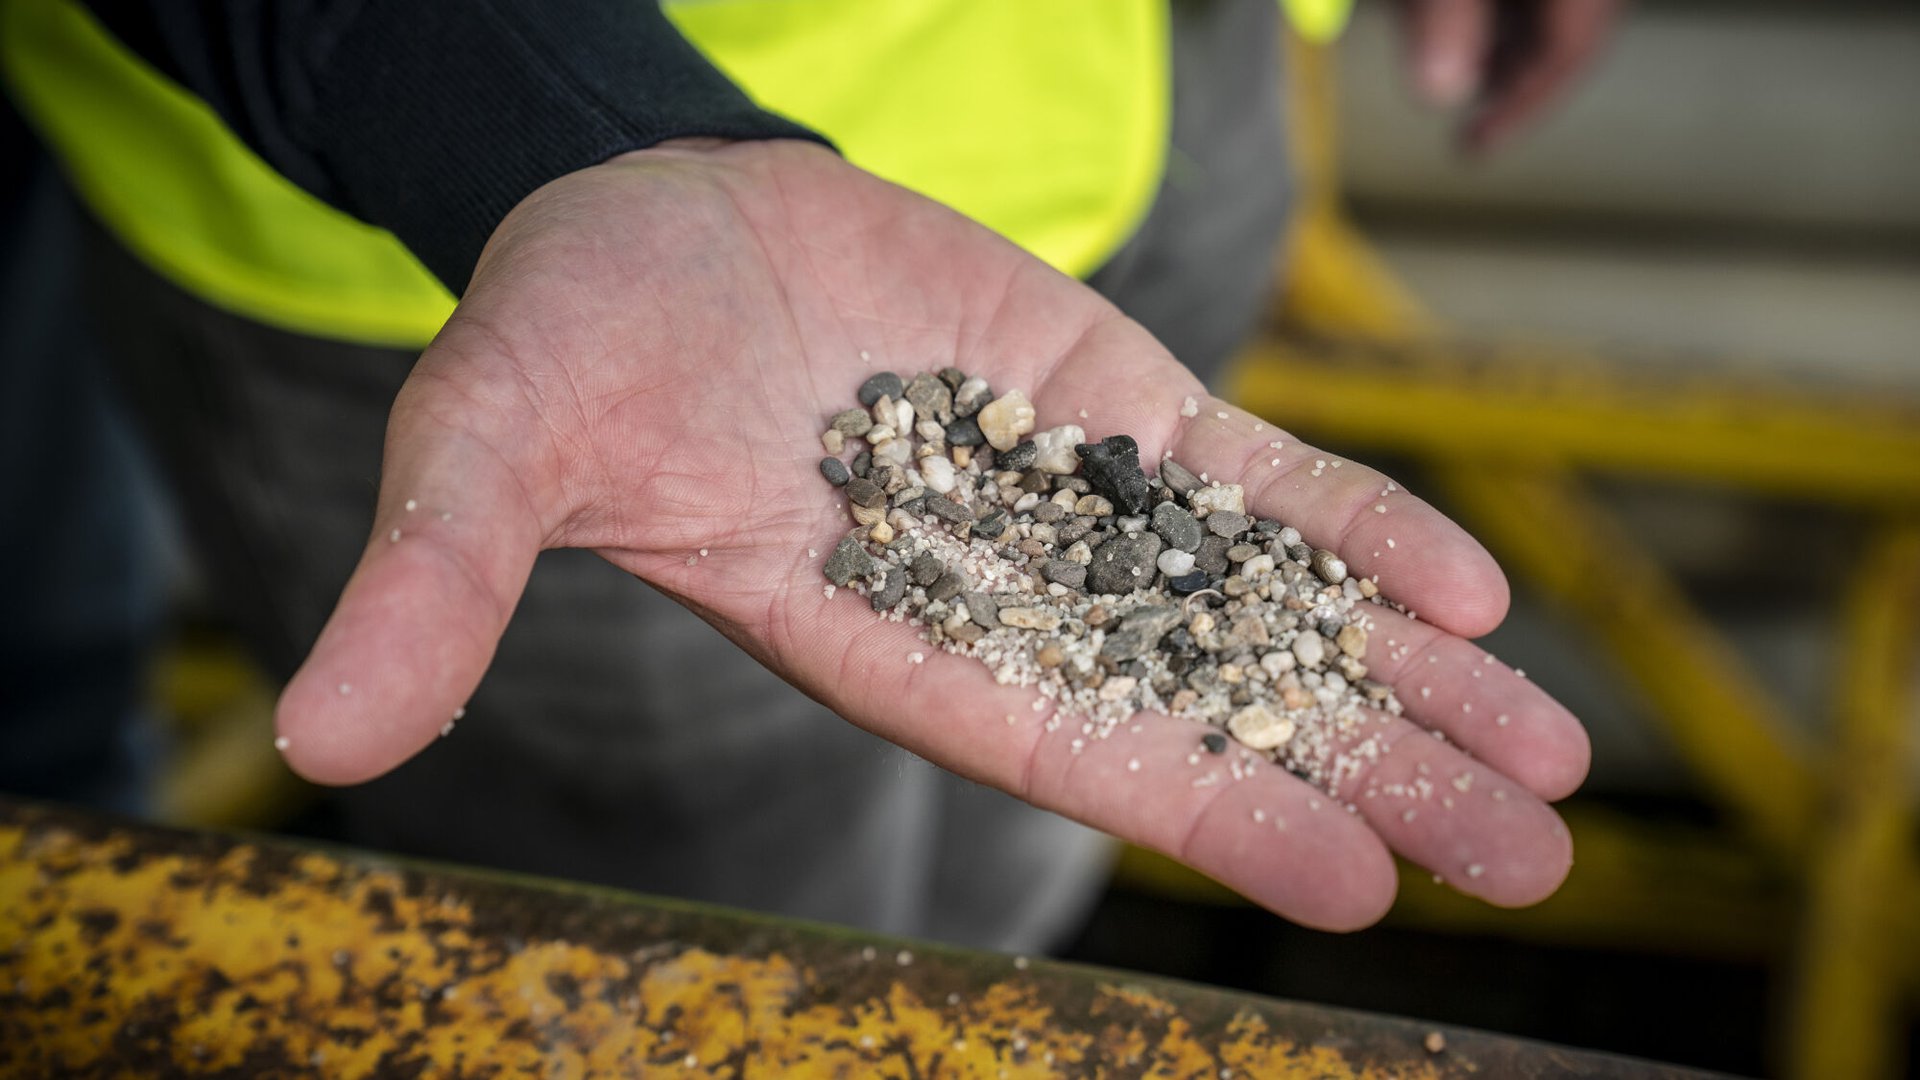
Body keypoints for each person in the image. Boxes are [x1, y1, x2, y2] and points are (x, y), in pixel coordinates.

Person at [4, 0, 1615, 946]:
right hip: (513, 238)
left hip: (1161, 106)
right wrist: (537, 119)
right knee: (700, 952)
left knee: (1009, 874)